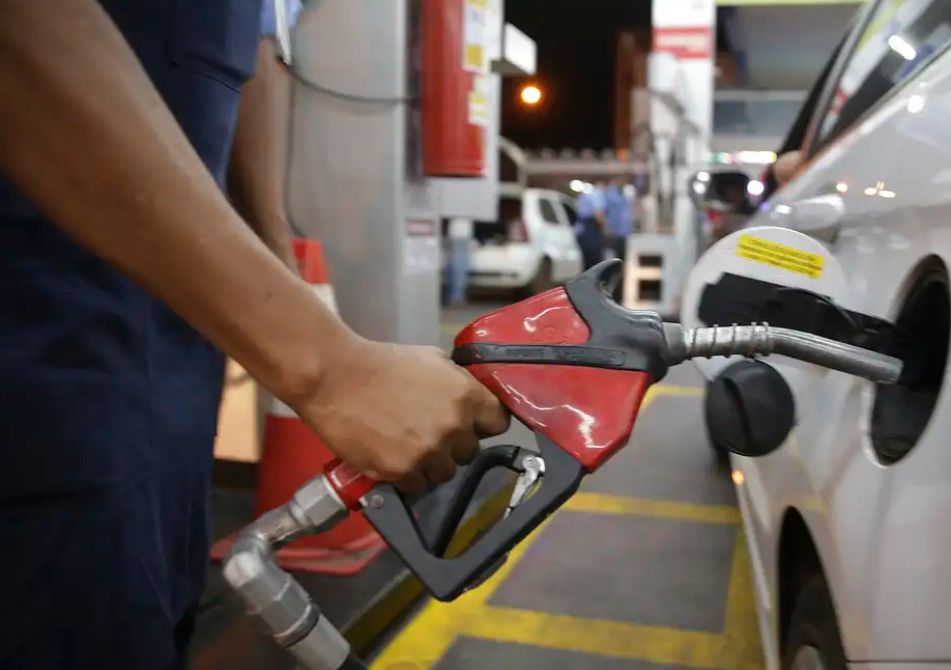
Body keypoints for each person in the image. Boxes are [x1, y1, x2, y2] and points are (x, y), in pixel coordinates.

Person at [0, 2, 508, 668]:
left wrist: (276, 263)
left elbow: (251, 45)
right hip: (36, 341)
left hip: (172, 358)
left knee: (149, 615)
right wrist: (329, 369)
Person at [574, 180, 607, 269]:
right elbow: (598, 214)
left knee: (586, 261)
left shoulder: (584, 194)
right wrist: (605, 228)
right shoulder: (597, 193)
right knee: (595, 262)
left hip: (582, 229)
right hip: (591, 228)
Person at [603, 177, 634, 261]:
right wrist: (608, 227)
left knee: (623, 255)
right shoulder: (610, 194)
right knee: (613, 256)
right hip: (614, 231)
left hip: (624, 232)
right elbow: (605, 212)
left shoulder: (624, 194)